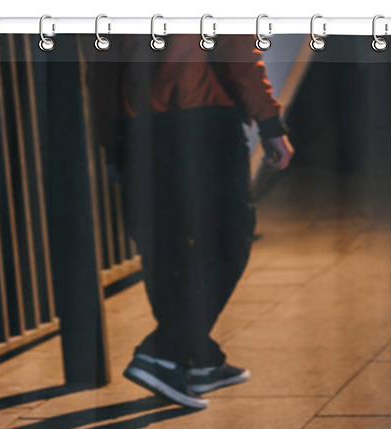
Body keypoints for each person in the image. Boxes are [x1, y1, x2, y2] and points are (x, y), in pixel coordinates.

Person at [95, 35, 294, 409]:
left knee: (165, 248)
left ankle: (199, 359)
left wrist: (111, 139)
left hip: (135, 129)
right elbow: (237, 51)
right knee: (226, 239)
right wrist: (271, 124)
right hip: (202, 120)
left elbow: (101, 66)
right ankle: (162, 354)